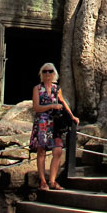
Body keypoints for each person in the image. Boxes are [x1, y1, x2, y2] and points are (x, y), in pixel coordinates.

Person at [29, 62, 79, 190]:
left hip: (55, 122)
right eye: (45, 71)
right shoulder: (37, 89)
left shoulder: (57, 89)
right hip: (42, 122)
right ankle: (42, 181)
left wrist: (72, 116)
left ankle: (52, 180)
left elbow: (63, 102)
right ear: (41, 74)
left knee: (57, 150)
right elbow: (36, 107)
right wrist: (51, 106)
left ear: (54, 73)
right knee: (41, 151)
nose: (47, 74)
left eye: (50, 71)